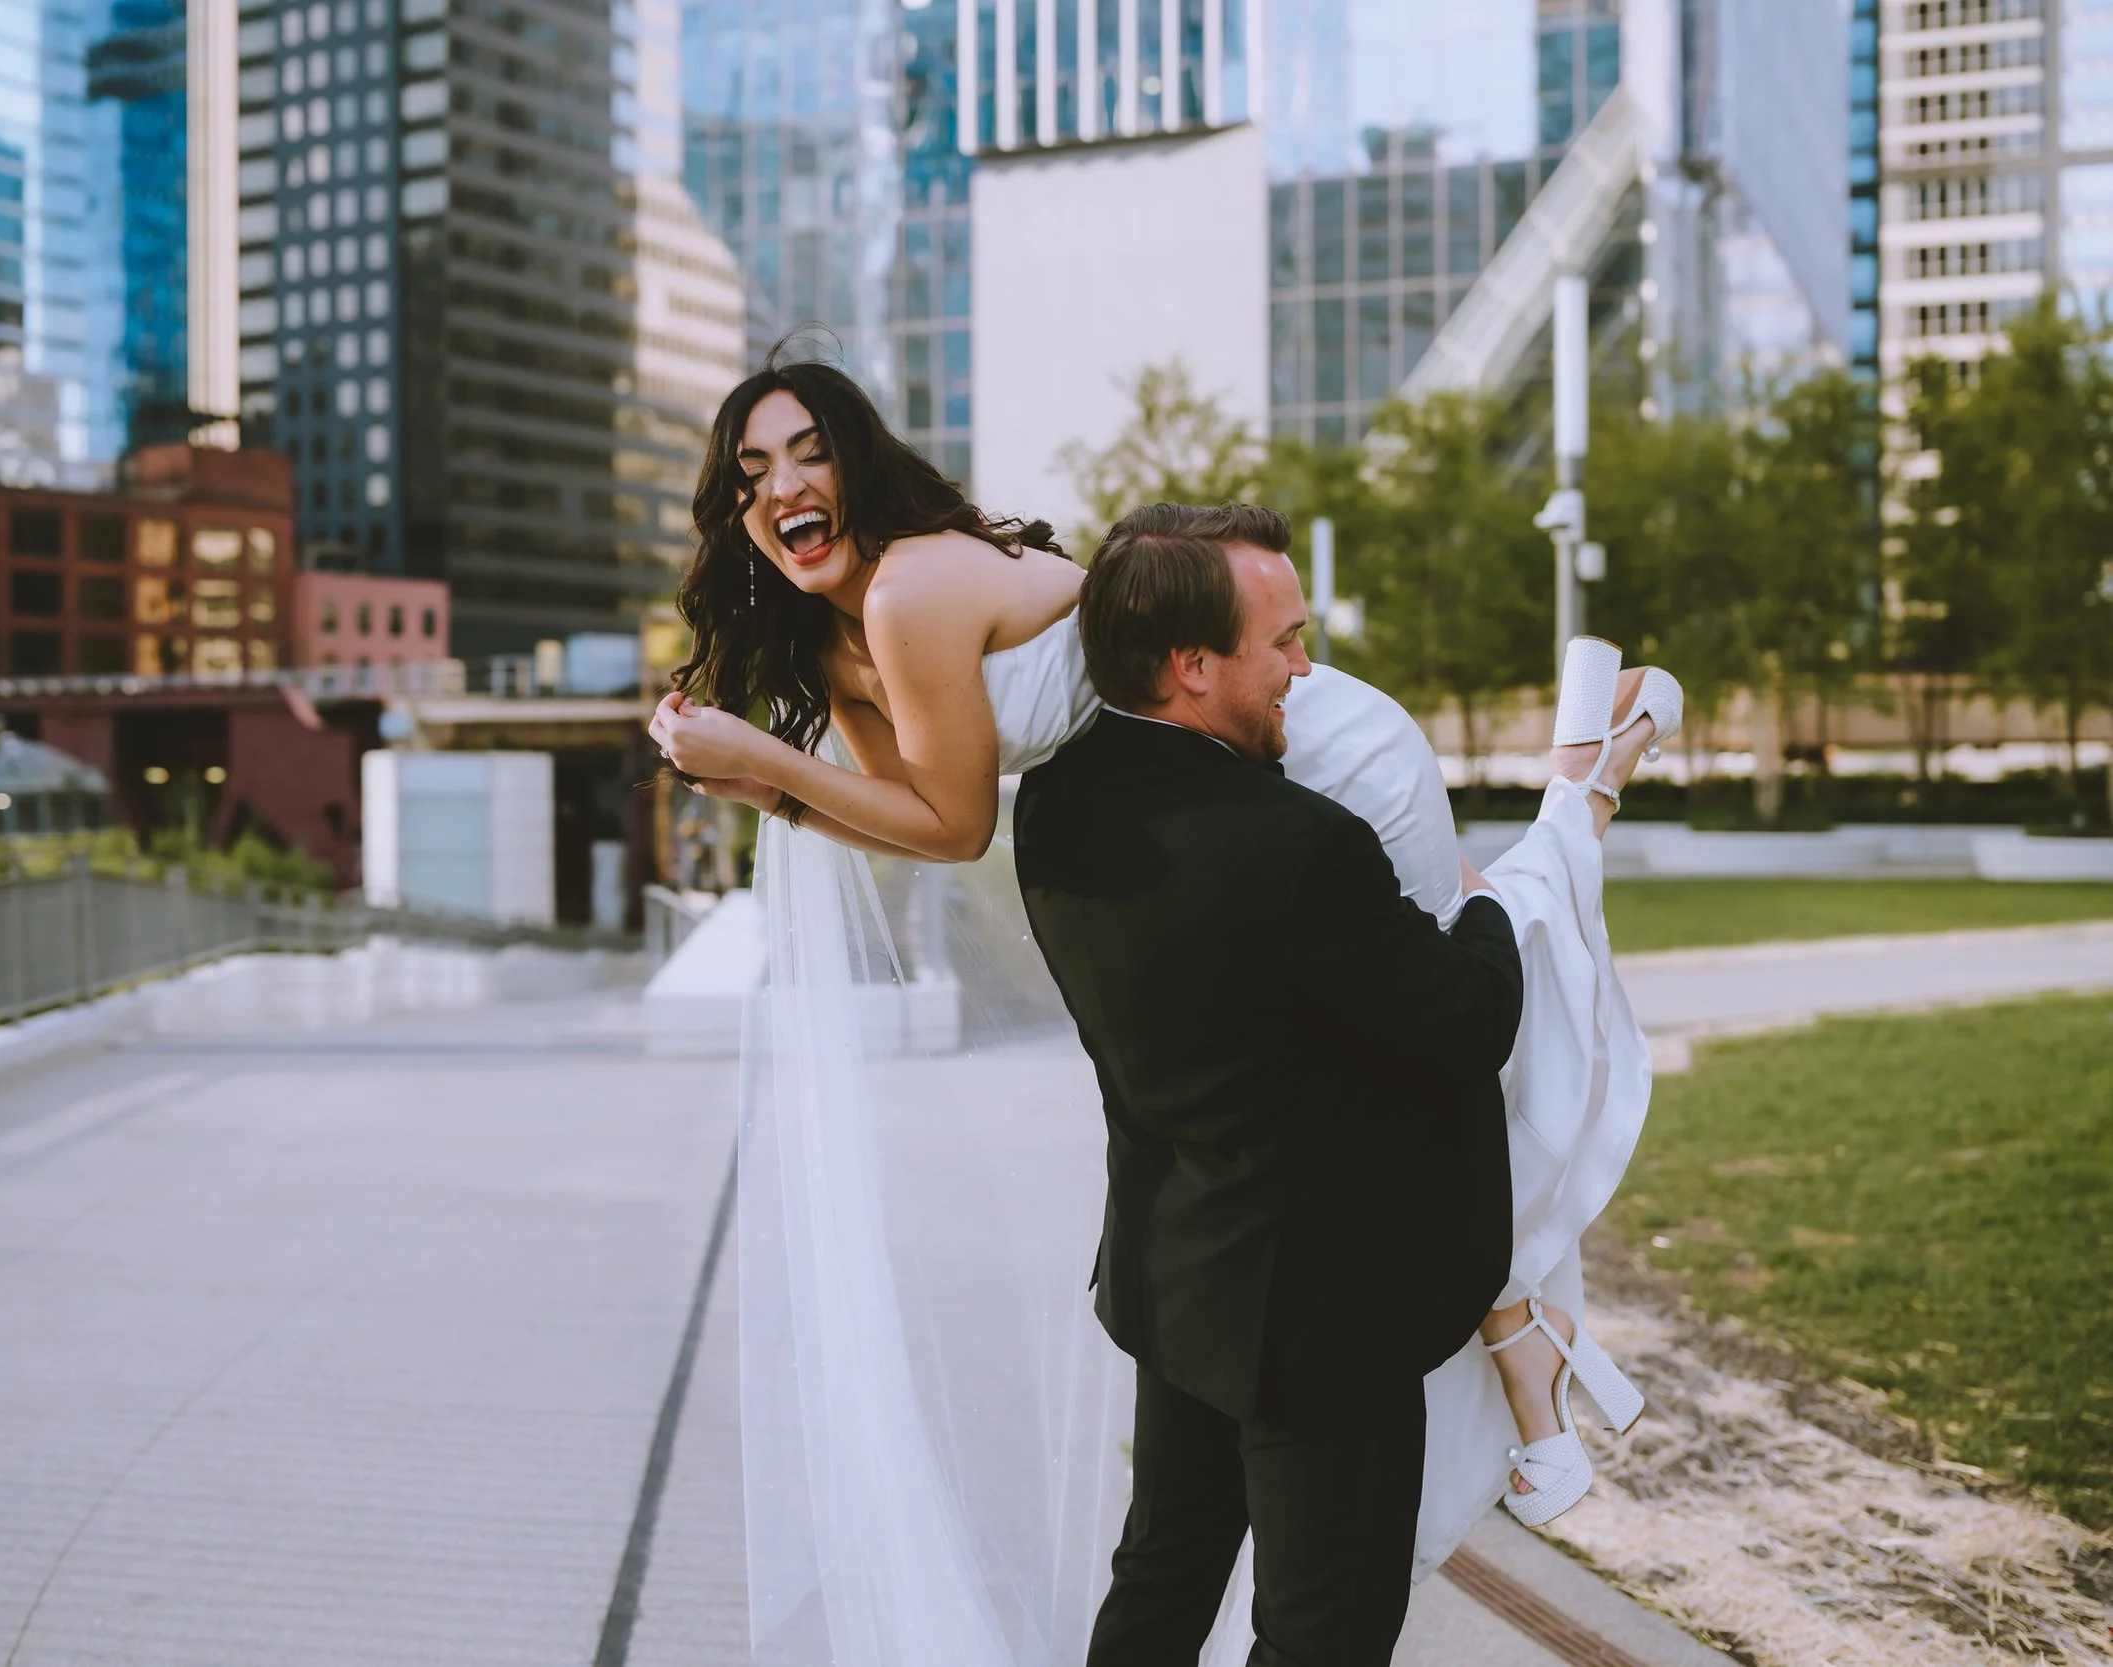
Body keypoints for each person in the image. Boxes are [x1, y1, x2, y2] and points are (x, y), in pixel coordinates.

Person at [651, 360, 1679, 1659]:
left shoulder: (984, 685)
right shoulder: (865, 624)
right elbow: (938, 814)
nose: (783, 486)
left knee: (1173, 1546)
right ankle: (1578, 809)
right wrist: (1492, 899)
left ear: (854, 458)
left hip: (1277, 790)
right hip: (1220, 818)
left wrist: (765, 771)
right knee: (1464, 1010)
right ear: (735, 508)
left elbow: (954, 821)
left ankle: (1515, 1313)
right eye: (752, 473)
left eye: (805, 452)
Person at [1011, 520, 1522, 1664]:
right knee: (1320, 1631)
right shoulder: (1299, 847)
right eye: (1284, 640)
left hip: (1176, 1273)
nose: (1305, 667)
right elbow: (1467, 1018)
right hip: (1318, 1318)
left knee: (1161, 1573)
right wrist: (1486, 905)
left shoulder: (1054, 805)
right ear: (1191, 663)